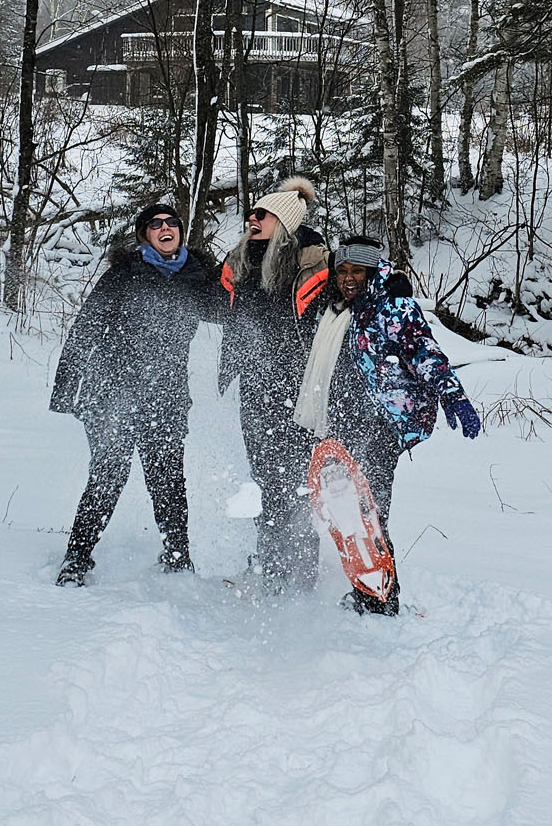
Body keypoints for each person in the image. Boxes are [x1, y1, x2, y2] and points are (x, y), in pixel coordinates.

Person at [294, 233, 481, 615]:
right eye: (342, 270)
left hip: (380, 422)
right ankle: (366, 591)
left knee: (370, 510)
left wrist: (453, 395)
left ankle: (381, 601)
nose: (348, 278)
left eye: (357, 271)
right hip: (342, 421)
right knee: (347, 508)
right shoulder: (335, 309)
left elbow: (425, 353)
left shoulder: (392, 307)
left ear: (373, 271)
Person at [51, 200, 221, 585]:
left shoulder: (195, 277)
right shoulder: (124, 275)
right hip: (113, 392)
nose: (165, 228)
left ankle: (177, 557)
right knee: (108, 475)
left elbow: (232, 308)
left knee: (168, 479)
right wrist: (66, 389)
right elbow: (86, 328)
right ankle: (77, 557)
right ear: (145, 234)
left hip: (167, 394)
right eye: (155, 224)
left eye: (171, 222)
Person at [218, 175, 328, 592]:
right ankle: (269, 559)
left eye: (261, 214)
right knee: (265, 476)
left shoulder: (311, 260)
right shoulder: (242, 259)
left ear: (282, 221)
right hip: (253, 384)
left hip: (297, 388)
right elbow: (210, 295)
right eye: (251, 213)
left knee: (297, 480)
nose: (252, 218)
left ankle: (300, 568)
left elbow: (352, 290)